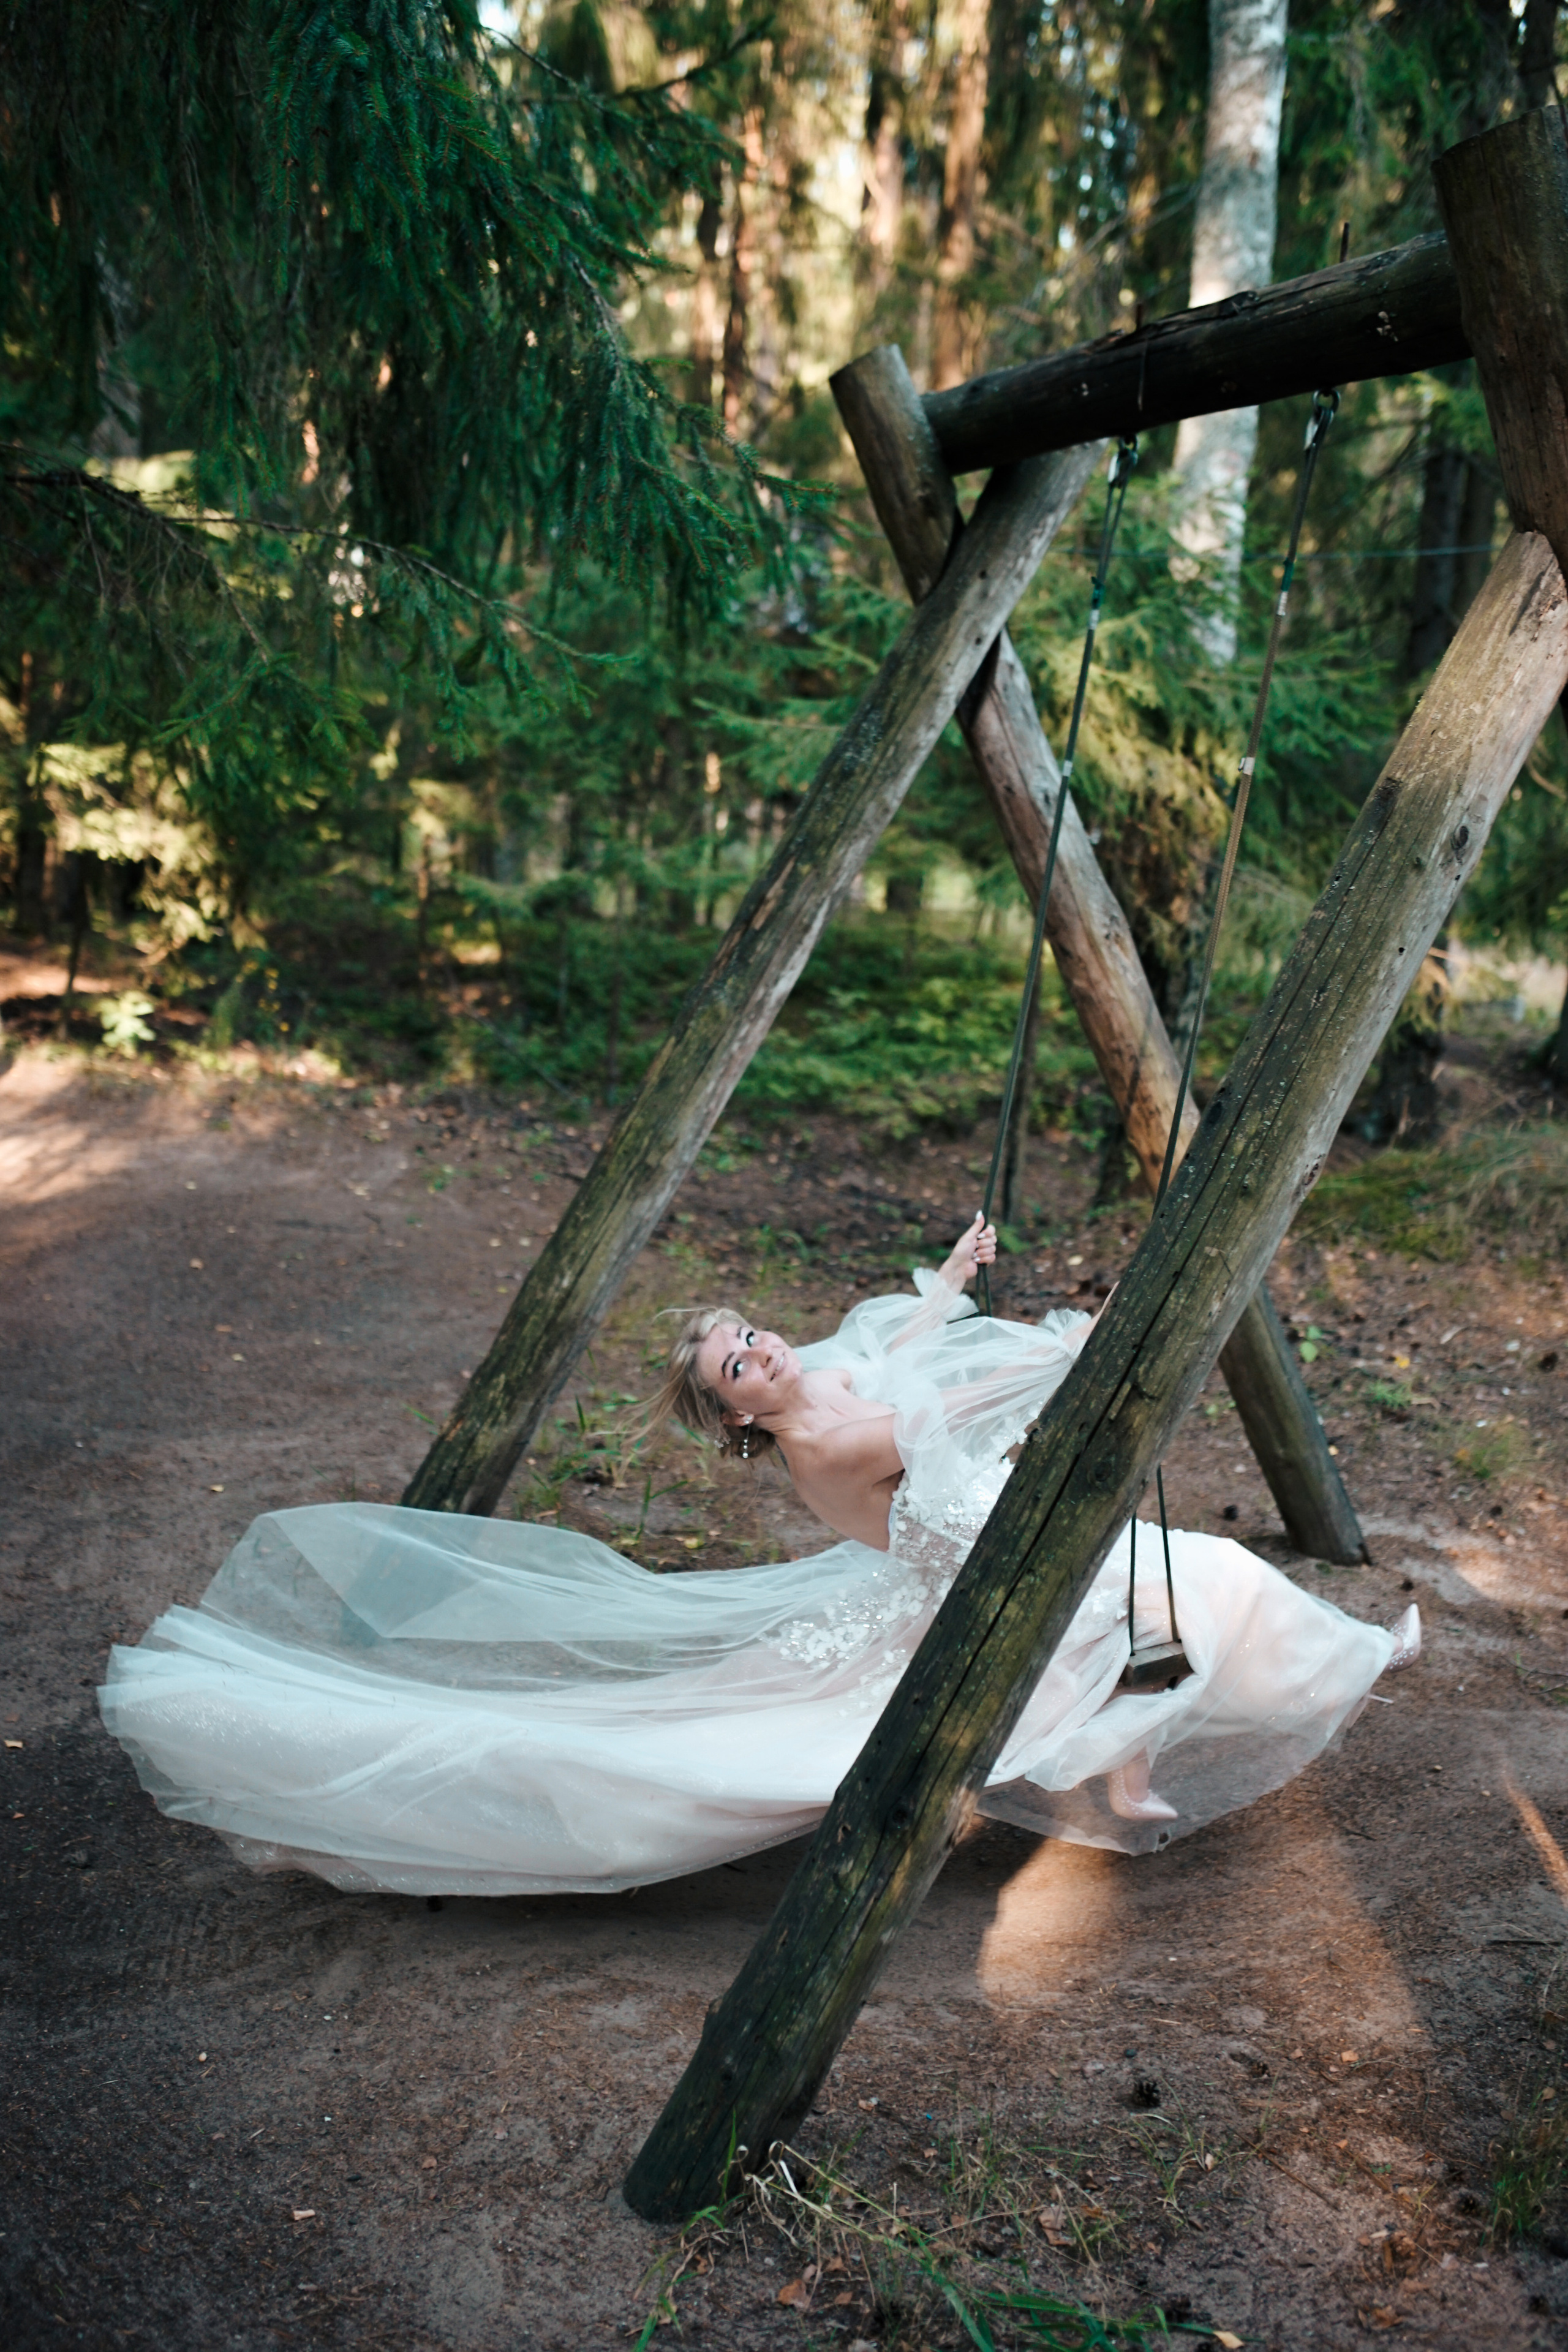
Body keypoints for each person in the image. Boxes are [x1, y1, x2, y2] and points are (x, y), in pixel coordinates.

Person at [99, 1215, 1417, 1898]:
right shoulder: (821, 1449)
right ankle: (1144, 1747)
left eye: (750, 1333)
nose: (762, 1349)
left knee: (1200, 1584)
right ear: (737, 1414)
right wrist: (1077, 1350)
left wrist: (954, 1274)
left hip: (1012, 1542)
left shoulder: (831, 1374)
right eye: (739, 1364)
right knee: (1184, 1591)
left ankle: (1175, 1732)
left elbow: (900, 1347)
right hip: (978, 1580)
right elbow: (947, 1411)